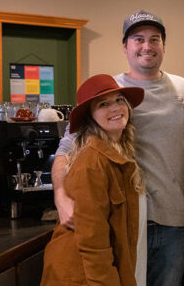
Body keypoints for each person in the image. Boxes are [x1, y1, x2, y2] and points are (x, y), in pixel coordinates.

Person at [52, 10, 184, 286]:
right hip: (124, 222)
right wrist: (60, 194)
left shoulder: (183, 90)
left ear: (163, 46)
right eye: (138, 39)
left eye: (155, 39)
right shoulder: (110, 91)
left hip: (172, 219)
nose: (147, 46)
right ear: (125, 47)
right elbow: (66, 150)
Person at [40, 73, 145, 285]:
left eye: (119, 100)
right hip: (80, 276)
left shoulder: (118, 156)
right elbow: (93, 244)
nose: (115, 108)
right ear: (90, 117)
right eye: (103, 104)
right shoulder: (92, 162)